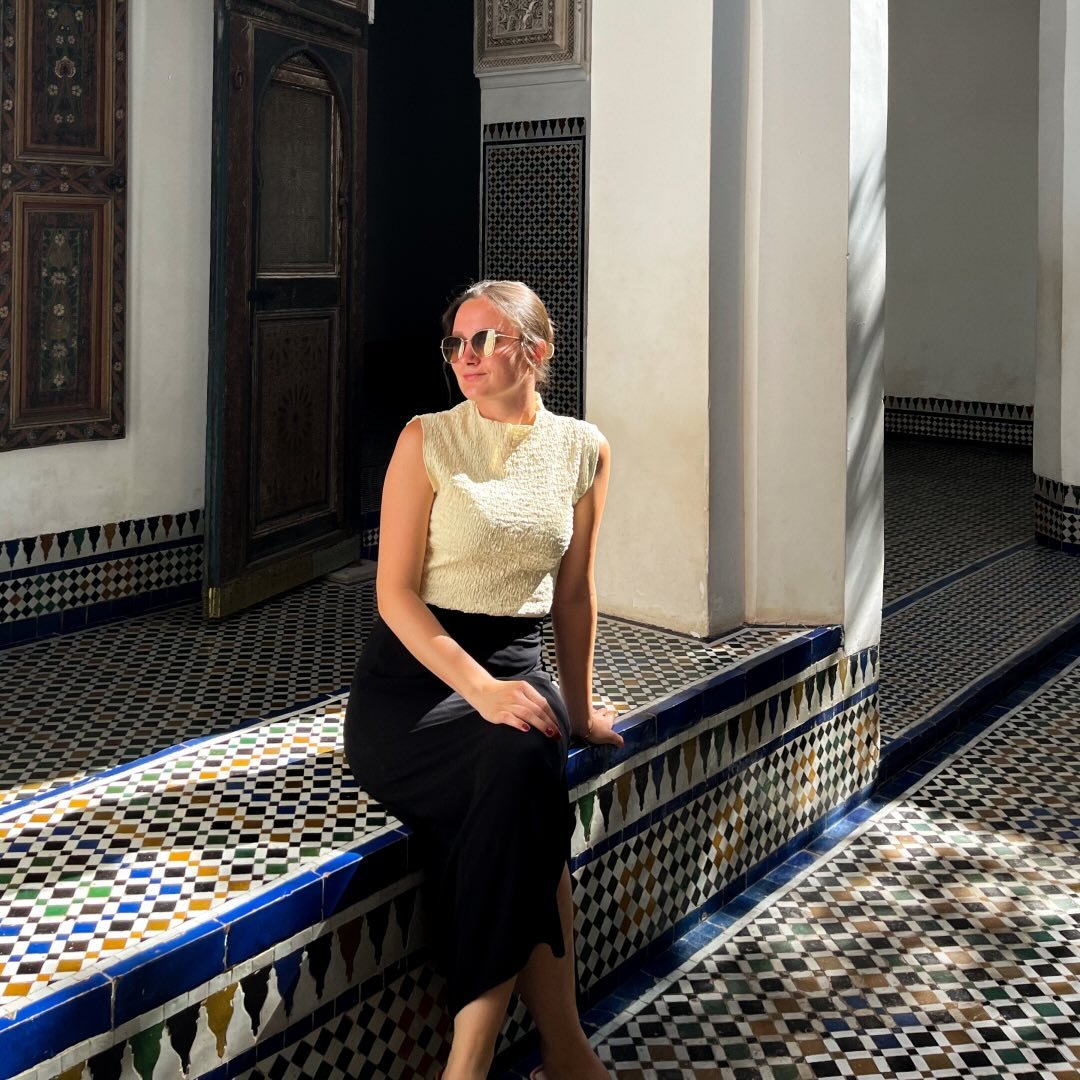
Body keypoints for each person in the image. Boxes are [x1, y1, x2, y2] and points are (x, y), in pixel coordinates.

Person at [343, 279, 623, 1080]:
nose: (463, 357)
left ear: (535, 351)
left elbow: (574, 595)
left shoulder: (584, 450)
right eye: (455, 343)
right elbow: (394, 595)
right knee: (524, 783)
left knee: (523, 761)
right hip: (413, 685)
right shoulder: (425, 439)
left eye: (483, 340)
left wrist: (582, 710)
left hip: (515, 666)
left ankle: (480, 1063)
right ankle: (558, 1050)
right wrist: (482, 692)